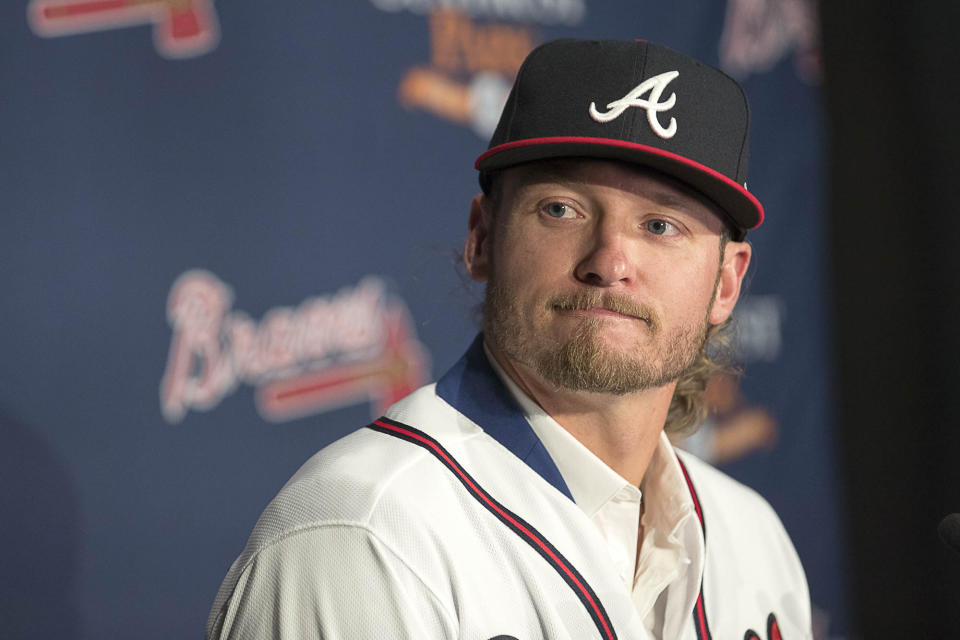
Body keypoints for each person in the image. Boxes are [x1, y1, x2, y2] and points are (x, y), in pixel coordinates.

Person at [206, 39, 811, 640]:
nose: (610, 261)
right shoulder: (362, 539)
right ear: (481, 237)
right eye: (561, 209)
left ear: (727, 283)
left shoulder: (753, 543)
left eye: (660, 225)